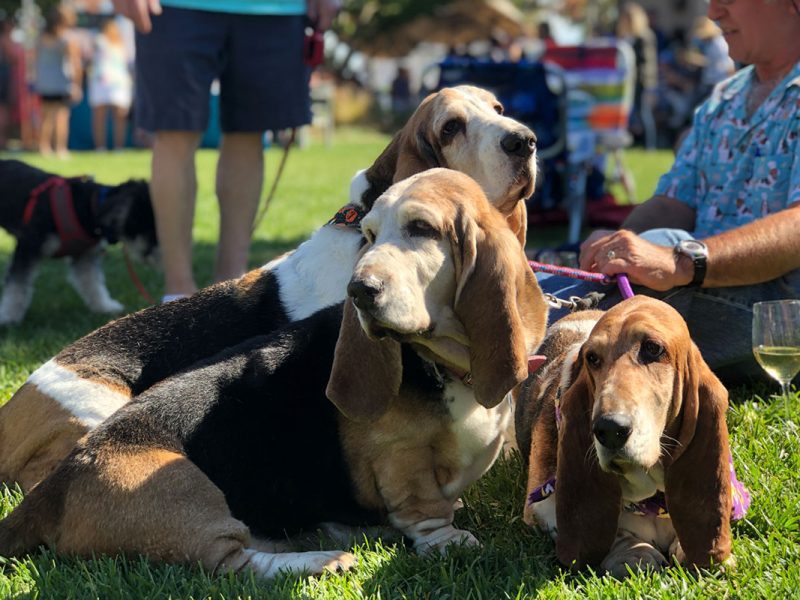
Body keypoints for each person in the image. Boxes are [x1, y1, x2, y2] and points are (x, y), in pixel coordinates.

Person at [539, 0, 800, 385]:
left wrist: (679, 262)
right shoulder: (724, 98)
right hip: (701, 284)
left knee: (656, 257)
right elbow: (673, 201)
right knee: (630, 263)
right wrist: (616, 248)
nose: (713, 12)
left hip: (779, 316)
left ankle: (504, 350)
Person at [110, 0, 340, 302]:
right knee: (174, 133)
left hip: (274, 10)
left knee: (249, 134)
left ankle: (230, 290)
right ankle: (177, 293)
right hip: (172, 7)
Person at [33, 5, 82, 158]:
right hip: (61, 83)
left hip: (44, 83)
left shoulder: (41, 37)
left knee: (46, 117)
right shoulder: (68, 39)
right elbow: (76, 64)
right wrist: (77, 85)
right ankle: (61, 149)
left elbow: (34, 59)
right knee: (61, 117)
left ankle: (44, 147)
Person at [616, 2, 658, 150]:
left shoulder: (644, 36)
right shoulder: (625, 36)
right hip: (626, 82)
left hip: (642, 82)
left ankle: (650, 146)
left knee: (644, 114)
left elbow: (648, 62)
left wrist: (645, 83)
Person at [88, 16, 134, 151]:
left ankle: (118, 147)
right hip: (100, 83)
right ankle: (100, 147)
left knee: (120, 117)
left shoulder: (122, 45)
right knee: (99, 117)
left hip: (119, 84)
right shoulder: (98, 40)